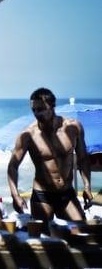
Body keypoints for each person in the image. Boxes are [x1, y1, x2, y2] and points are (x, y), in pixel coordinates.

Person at [7, 87, 93, 233]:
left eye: (40, 109)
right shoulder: (28, 135)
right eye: (33, 110)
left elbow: (83, 158)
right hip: (42, 195)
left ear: (52, 106)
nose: (36, 114)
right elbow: (13, 165)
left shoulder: (73, 128)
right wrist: (15, 195)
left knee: (80, 231)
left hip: (67, 193)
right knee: (43, 238)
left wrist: (87, 186)